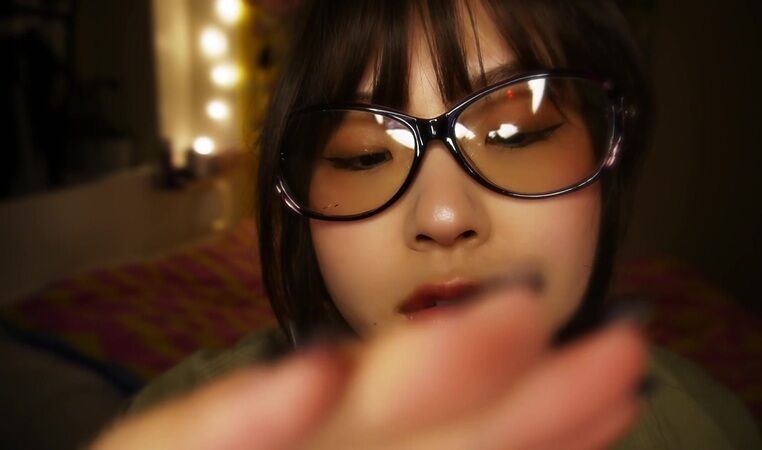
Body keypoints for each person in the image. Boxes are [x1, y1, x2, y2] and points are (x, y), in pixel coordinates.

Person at [92, 1, 761, 449]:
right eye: (362, 155)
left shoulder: (708, 430)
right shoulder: (176, 422)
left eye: (516, 134)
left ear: (610, 146)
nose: (442, 216)